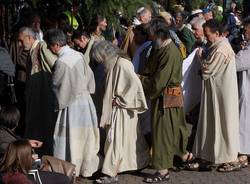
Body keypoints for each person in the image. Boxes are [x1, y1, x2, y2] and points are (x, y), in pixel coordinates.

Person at [44, 29, 101, 177]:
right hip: (85, 102)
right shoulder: (79, 55)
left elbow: (57, 87)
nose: (50, 49)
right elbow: (89, 76)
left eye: (50, 46)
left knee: (70, 139)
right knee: (85, 138)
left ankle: (68, 169)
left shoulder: (61, 62)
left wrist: (57, 103)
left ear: (56, 45)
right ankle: (85, 169)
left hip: (71, 106)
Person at [140, 21, 191, 183]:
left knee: (162, 132)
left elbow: (159, 80)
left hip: (166, 98)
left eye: (151, 34)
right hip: (165, 96)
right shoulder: (160, 48)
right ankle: (184, 156)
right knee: (171, 130)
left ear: (158, 35)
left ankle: (162, 171)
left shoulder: (169, 52)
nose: (149, 37)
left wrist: (141, 81)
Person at [91, 41, 150, 183]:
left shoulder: (122, 64)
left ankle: (110, 173)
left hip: (123, 110)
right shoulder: (114, 64)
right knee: (124, 141)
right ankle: (136, 164)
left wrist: (121, 100)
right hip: (118, 109)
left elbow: (135, 87)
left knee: (115, 140)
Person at [192, 19, 240, 172]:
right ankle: (211, 156)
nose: (206, 38)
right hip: (216, 92)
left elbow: (207, 70)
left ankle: (228, 158)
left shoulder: (221, 48)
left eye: (208, 35)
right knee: (213, 124)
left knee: (224, 124)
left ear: (217, 34)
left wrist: (200, 56)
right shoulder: (216, 46)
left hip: (222, 94)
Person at [18, 27, 57, 156]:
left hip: (44, 100)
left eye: (21, 40)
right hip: (35, 100)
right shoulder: (31, 51)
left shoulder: (41, 47)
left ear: (29, 38)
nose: (19, 44)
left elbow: (56, 65)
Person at [235, 18, 250, 167]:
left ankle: (244, 153)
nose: (244, 32)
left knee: (244, 121)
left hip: (247, 90)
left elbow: (237, 64)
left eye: (246, 29)